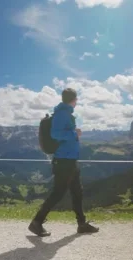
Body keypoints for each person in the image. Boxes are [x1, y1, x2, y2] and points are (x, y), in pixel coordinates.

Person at [28, 88, 99, 237]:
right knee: (58, 193)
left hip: (70, 159)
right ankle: (37, 222)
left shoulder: (66, 113)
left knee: (77, 192)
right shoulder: (62, 114)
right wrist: (75, 133)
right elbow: (56, 134)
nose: (77, 102)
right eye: (76, 100)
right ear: (74, 100)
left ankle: (82, 224)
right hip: (64, 160)